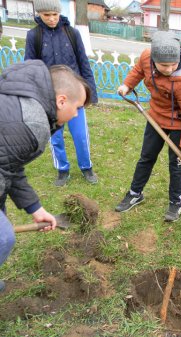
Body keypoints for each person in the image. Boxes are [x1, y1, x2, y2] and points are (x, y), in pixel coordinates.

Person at [0, 60, 91, 293]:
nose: (77, 114)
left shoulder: (23, 98)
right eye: (78, 107)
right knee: (4, 238)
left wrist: (35, 208)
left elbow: (9, 163)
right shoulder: (31, 123)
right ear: (61, 100)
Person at [115, 30, 181, 222]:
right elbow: (138, 70)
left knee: (177, 164)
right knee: (146, 157)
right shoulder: (147, 57)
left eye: (173, 64)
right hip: (155, 117)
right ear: (153, 59)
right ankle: (135, 193)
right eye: (164, 65)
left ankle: (176, 202)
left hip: (179, 123)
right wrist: (127, 85)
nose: (169, 69)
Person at [24, 0, 99, 187]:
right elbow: (31, 68)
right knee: (55, 136)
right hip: (49, 97)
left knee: (80, 135)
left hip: (74, 95)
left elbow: (84, 63)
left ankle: (86, 167)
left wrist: (91, 94)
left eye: (54, 15)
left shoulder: (72, 33)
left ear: (60, 13)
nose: (51, 19)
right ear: (39, 14)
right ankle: (62, 169)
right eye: (46, 15)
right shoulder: (34, 36)